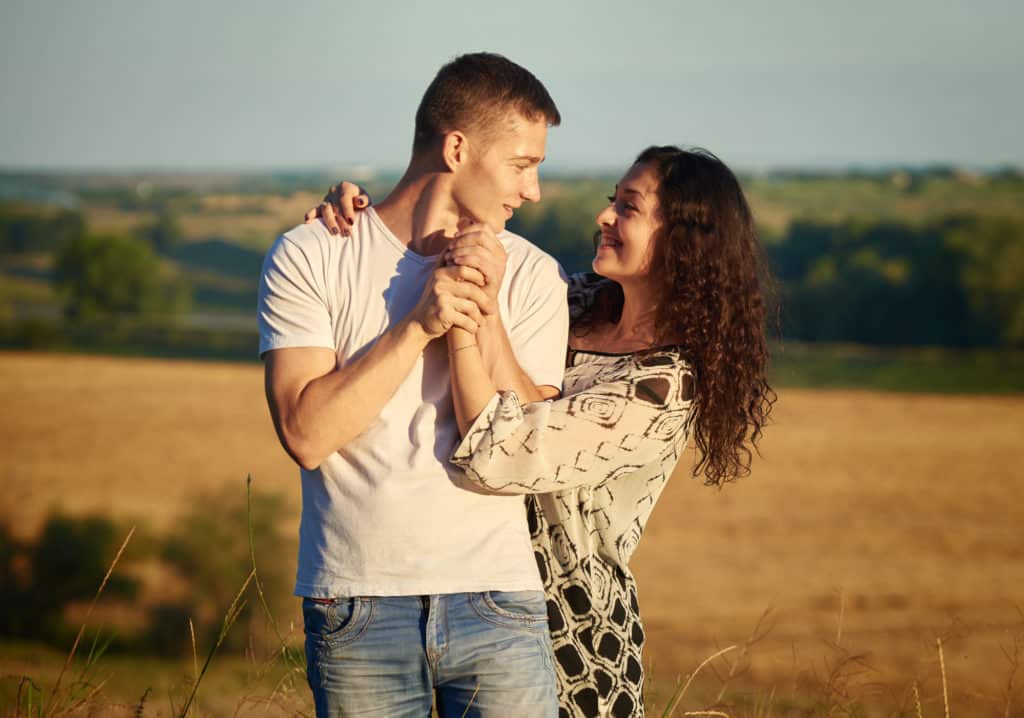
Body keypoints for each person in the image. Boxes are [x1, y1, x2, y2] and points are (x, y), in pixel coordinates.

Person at [312, 145, 775, 717]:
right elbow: (460, 258)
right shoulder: (574, 299)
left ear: (685, 239)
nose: (603, 217)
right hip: (456, 589)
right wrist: (365, 224)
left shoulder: (665, 386)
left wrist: (477, 319)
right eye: (611, 201)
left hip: (572, 635)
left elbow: (506, 446)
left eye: (628, 208)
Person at [258, 52, 568, 717]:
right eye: (522, 164)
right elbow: (306, 436)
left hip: (500, 598)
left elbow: (532, 444)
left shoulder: (537, 276)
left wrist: (483, 317)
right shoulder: (311, 253)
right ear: (457, 148)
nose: (533, 190)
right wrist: (416, 326)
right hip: (357, 602)